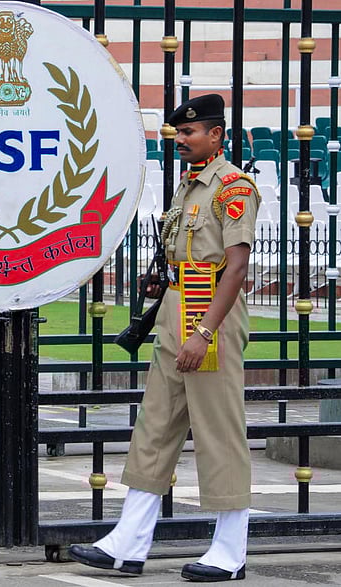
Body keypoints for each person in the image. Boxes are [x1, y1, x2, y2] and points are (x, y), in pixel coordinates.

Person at [69, 94, 259, 582]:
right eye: (177, 134)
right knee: (154, 427)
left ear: (215, 135)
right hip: (179, 305)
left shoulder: (232, 187)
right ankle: (128, 542)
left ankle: (230, 549)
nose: (181, 140)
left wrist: (204, 331)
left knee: (217, 431)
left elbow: (235, 268)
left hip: (209, 312)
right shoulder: (187, 186)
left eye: (189, 133)